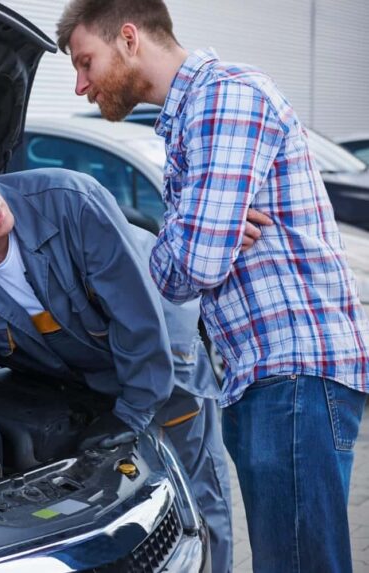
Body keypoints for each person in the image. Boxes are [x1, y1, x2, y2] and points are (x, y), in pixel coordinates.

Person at [55, 1, 369, 572]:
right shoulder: (191, 116)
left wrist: (191, 234)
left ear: (128, 39)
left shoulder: (224, 98)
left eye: (85, 62)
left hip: (291, 372)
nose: (80, 86)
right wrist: (201, 227)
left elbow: (189, 269)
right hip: (264, 376)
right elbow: (197, 251)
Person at [0, 163, 232, 572]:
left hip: (163, 353)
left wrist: (132, 412)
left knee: (197, 489)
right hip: (74, 370)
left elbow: (137, 315)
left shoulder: (69, 201)